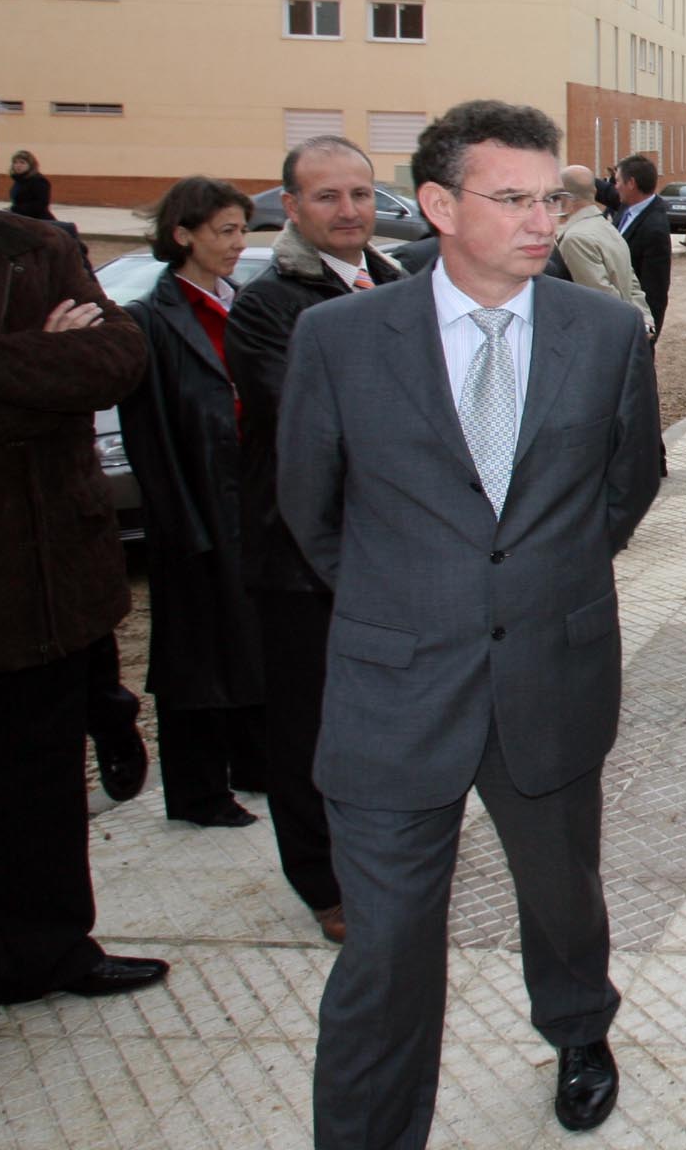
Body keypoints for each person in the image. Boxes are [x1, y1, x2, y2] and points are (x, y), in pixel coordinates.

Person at [280, 100, 661, 1147]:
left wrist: (539, 585)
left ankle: (581, 1028)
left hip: (551, 668)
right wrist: (416, 601)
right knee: (388, 945)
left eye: (552, 197)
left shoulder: (603, 330)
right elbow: (310, 511)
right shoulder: (339, 337)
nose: (543, 220)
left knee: (563, 892)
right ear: (440, 204)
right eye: (514, 199)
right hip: (395, 688)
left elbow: (625, 489)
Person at [0, 63, 172, 1104]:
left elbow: (115, 361)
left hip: (57, 581)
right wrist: (35, 367)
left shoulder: (37, 242)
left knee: (39, 782)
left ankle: (53, 948)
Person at [226, 134, 408, 945]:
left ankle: (385, 859)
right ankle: (325, 882)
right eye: (328, 197)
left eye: (362, 195)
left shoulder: (395, 278)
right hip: (302, 560)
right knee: (310, 731)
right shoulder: (267, 305)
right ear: (291, 206)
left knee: (392, 721)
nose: (349, 212)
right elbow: (317, 423)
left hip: (389, 555)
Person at [115, 176, 271, 829]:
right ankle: (198, 790)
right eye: (224, 232)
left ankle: (251, 763)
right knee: (194, 657)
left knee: (248, 640)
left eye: (242, 230)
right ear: (183, 235)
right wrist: (184, 525)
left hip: (247, 503)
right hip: (196, 511)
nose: (238, 244)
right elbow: (149, 436)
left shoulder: (238, 305)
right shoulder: (153, 321)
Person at [555, 166, 654, 334]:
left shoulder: (575, 239)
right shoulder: (606, 228)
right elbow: (632, 286)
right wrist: (645, 323)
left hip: (602, 336)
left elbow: (601, 298)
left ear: (564, 198)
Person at [613, 153, 673, 335]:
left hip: (635, 323)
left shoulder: (654, 229)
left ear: (631, 183)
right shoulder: (627, 207)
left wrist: (648, 333)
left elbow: (656, 291)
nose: (615, 187)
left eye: (617, 181)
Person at [5, 148, 53, 219]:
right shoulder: (19, 180)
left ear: (30, 165)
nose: (18, 165)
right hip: (22, 218)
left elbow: (41, 204)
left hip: (38, 220)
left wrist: (15, 209)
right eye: (15, 162)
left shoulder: (39, 181)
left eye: (22, 162)